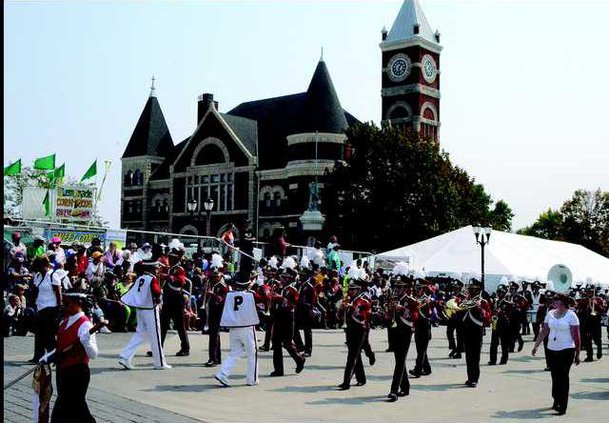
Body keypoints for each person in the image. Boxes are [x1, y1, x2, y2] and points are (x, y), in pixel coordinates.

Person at [48, 291, 99, 423]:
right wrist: (48, 356)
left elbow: (93, 354)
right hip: (62, 370)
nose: (63, 306)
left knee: (74, 406)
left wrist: (86, 340)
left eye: (67, 303)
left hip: (77, 372)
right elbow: (61, 345)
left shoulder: (85, 325)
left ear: (78, 304)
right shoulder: (64, 321)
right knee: (69, 406)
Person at [532, 293, 581, 415]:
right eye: (553, 301)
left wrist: (578, 353)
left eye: (556, 301)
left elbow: (576, 336)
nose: (553, 303)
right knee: (555, 376)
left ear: (563, 303)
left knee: (563, 377)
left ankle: (562, 406)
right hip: (552, 349)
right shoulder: (550, 314)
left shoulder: (572, 316)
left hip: (567, 350)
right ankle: (556, 400)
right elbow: (544, 330)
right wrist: (536, 345)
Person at [118, 260, 171, 370]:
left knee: (140, 334)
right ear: (151, 269)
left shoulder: (140, 278)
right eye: (156, 268)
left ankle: (125, 356)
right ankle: (159, 363)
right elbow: (156, 291)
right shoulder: (152, 279)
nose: (157, 270)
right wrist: (160, 295)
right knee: (156, 336)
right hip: (150, 310)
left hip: (140, 309)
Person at [214, 277, 261, 387]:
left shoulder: (229, 295)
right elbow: (263, 298)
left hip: (234, 327)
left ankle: (223, 373)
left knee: (234, 352)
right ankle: (252, 379)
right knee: (252, 353)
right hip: (247, 327)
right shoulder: (250, 294)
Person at [386, 276, 417, 401]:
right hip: (395, 331)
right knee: (399, 360)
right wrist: (389, 308)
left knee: (399, 362)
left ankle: (393, 391)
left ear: (405, 288)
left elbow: (414, 317)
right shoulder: (394, 299)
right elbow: (389, 316)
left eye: (400, 287)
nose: (397, 289)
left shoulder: (411, 301)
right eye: (396, 287)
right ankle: (405, 387)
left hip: (405, 332)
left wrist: (402, 309)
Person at [269, 268, 306, 376]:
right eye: (282, 277)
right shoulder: (278, 288)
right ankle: (278, 369)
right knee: (276, 344)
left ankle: (299, 359)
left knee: (287, 343)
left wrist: (280, 298)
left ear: (289, 279)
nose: (282, 280)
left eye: (285, 278)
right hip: (277, 317)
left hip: (288, 318)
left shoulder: (292, 290)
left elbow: (293, 304)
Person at [337, 280, 371, 390]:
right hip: (349, 330)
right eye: (349, 290)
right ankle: (361, 378)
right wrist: (341, 308)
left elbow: (363, 316)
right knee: (356, 356)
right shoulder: (347, 300)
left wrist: (352, 307)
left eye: (353, 290)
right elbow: (339, 317)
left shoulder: (363, 301)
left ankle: (346, 382)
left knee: (352, 357)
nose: (350, 292)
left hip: (360, 331)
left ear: (358, 290)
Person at [30, 255, 62, 363]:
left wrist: (59, 308)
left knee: (49, 335)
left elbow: (58, 293)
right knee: (39, 334)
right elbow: (36, 291)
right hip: (40, 307)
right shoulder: (38, 276)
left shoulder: (53, 275)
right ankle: (38, 356)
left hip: (51, 308)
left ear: (44, 265)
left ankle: (51, 356)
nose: (38, 269)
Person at [460, 279, 491, 388]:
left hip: (477, 331)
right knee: (468, 355)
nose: (470, 291)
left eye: (473, 289)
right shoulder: (465, 301)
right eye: (470, 289)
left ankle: (475, 379)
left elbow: (487, 318)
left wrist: (478, 308)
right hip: (466, 330)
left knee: (475, 356)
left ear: (477, 290)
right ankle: (470, 377)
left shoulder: (483, 302)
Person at [160, 248, 191, 356]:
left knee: (180, 326)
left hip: (176, 301)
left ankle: (185, 348)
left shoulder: (179, 269)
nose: (170, 259)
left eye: (172, 257)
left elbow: (180, 281)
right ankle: (159, 347)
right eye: (170, 257)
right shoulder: (171, 268)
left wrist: (167, 276)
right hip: (168, 300)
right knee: (163, 325)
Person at [204, 271, 229, 367]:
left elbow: (220, 299)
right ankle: (217, 358)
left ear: (220, 277)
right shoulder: (212, 285)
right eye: (213, 276)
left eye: (216, 276)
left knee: (213, 336)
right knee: (215, 336)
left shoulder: (223, 287)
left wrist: (212, 294)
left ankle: (212, 359)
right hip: (211, 311)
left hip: (218, 313)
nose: (214, 278)